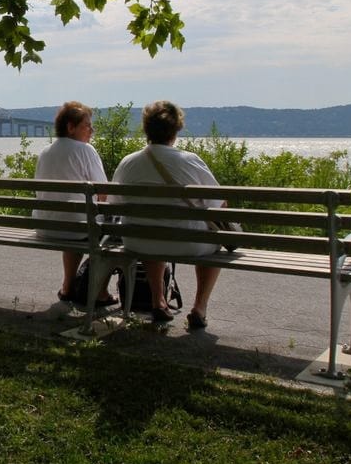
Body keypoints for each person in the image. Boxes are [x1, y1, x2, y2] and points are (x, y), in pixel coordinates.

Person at [110, 100, 224, 328]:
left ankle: (158, 301)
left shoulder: (128, 163)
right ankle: (199, 308)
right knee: (215, 239)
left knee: (151, 234)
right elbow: (219, 203)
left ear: (145, 129)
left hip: (138, 241)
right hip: (188, 244)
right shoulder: (190, 161)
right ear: (176, 130)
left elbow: (114, 203)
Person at [33, 101, 116, 306]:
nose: (92, 130)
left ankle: (67, 287)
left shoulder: (45, 152)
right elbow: (103, 191)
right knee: (110, 230)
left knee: (77, 219)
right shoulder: (85, 150)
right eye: (87, 125)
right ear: (71, 127)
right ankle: (101, 292)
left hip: (45, 227)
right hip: (75, 229)